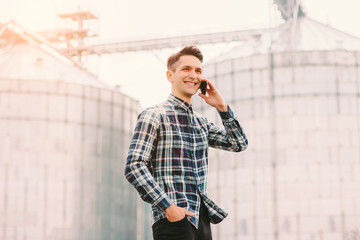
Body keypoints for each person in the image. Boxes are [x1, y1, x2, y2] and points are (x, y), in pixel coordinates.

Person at [124, 46, 248, 240]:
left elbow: (238, 143)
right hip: (173, 220)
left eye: (198, 71)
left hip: (201, 219)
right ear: (170, 75)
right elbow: (134, 166)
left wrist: (222, 108)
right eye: (186, 69)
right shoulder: (154, 115)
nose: (193, 75)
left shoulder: (201, 123)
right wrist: (168, 207)